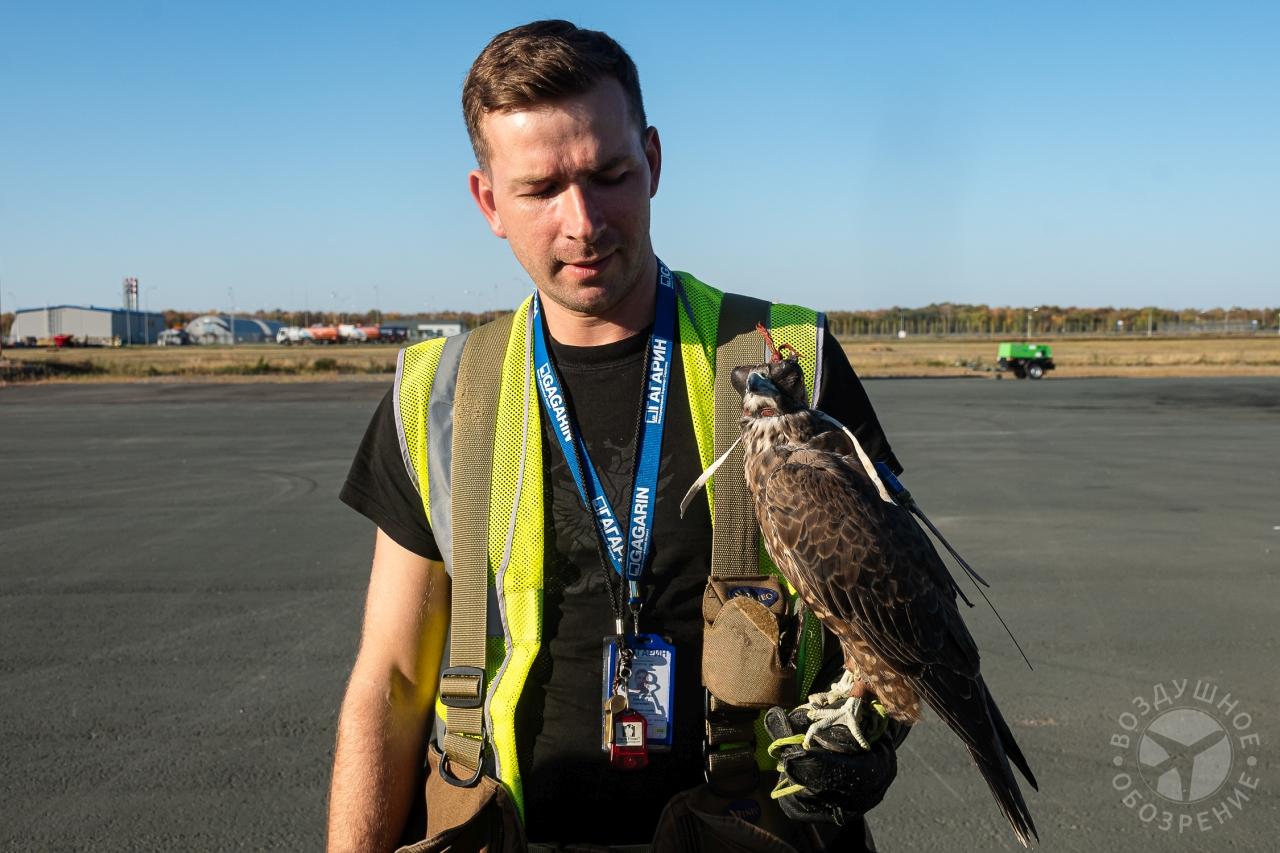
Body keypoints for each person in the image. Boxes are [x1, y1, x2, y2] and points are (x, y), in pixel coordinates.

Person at [328, 20, 906, 853]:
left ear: (654, 162)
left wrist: (877, 726)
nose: (583, 220)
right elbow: (392, 676)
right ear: (489, 203)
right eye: (539, 190)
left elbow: (896, 616)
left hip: (752, 831)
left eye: (609, 175)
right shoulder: (442, 394)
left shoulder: (788, 364)